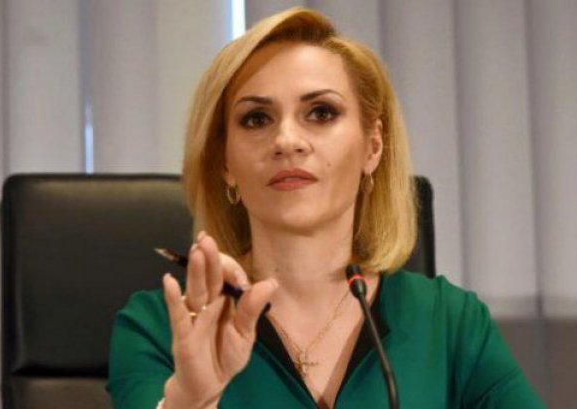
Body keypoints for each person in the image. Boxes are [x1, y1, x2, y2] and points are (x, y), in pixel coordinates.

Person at [107, 7, 545, 409]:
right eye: (257, 119)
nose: (287, 141)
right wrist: (190, 400)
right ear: (225, 163)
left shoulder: (450, 323)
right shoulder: (160, 327)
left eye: (321, 113)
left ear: (373, 147)